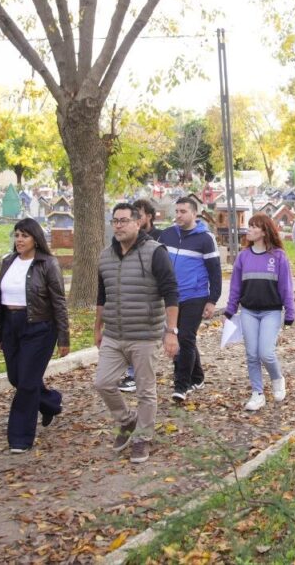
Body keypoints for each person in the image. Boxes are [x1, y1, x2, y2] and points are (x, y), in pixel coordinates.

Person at [94, 203, 180, 463]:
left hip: (145, 335)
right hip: (114, 334)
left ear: (137, 223)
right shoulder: (105, 256)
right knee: (103, 383)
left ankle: (143, 438)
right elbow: (102, 296)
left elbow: (171, 292)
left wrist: (171, 331)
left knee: (145, 390)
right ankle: (127, 420)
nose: (118, 225)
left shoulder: (155, 252)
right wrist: (97, 327)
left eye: (124, 220)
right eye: (115, 221)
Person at [0, 219, 69, 453]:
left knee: (26, 383)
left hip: (39, 328)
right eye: (16, 235)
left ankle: (20, 438)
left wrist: (64, 338)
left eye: (24, 235)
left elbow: (59, 302)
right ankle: (51, 403)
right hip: (11, 326)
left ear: (35, 239)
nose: (19, 240)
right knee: (17, 377)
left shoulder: (47, 263)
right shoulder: (8, 261)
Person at [224, 213, 295, 411]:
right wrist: (230, 309)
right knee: (252, 354)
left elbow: (286, 287)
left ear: (264, 231)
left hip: (271, 312)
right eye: (249, 226)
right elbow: (235, 287)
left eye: (254, 226)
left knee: (266, 353)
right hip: (248, 311)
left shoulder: (278, 257)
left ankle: (277, 378)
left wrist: (290, 312)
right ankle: (257, 393)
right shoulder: (243, 256)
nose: (249, 229)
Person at [158, 196, 221, 402]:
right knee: (186, 339)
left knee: (183, 337)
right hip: (171, 298)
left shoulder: (205, 239)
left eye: (183, 211)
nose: (178, 215)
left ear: (194, 213)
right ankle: (197, 377)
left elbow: (215, 271)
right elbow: (155, 262)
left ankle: (181, 385)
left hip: (195, 296)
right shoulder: (166, 235)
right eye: (176, 211)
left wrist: (212, 300)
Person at [118, 201, 161, 394]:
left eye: (139, 214)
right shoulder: (124, 243)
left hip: (153, 302)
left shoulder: (159, 239)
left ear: (148, 217)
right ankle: (132, 375)